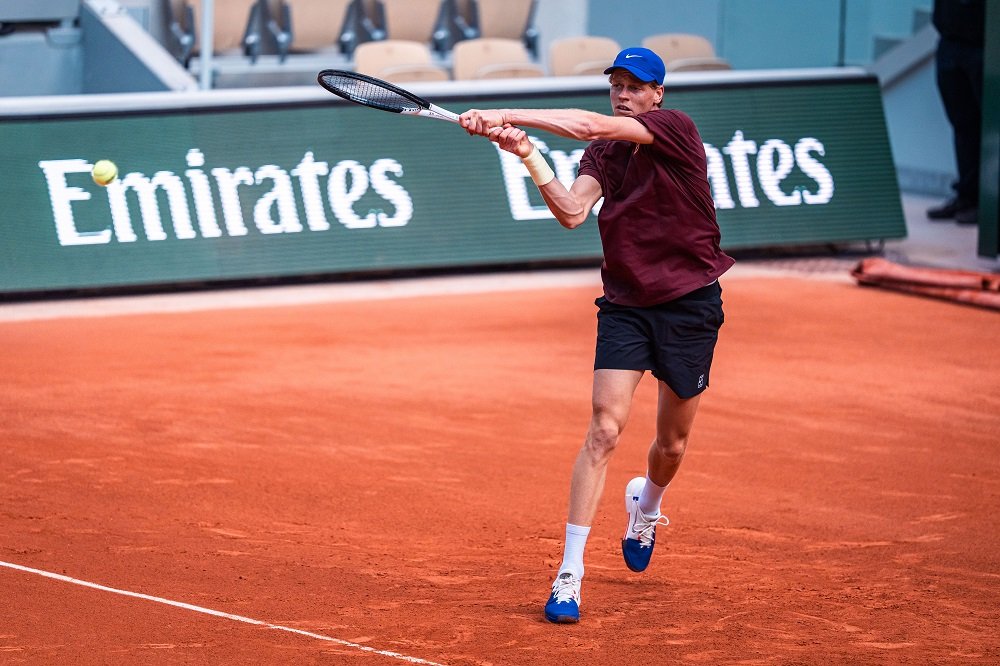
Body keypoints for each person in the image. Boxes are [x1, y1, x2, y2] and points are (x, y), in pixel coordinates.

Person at [460, 47, 734, 624]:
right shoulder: (605, 154)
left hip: (689, 303)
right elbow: (571, 211)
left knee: (673, 444)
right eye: (617, 84)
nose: (623, 93)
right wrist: (526, 153)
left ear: (658, 95)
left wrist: (506, 111)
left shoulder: (674, 129)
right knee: (604, 428)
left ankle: (646, 506)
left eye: (636, 86)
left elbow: (588, 121)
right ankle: (569, 573)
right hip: (627, 304)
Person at [926, 0, 985, 225]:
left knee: (988, 128)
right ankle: (967, 196)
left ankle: (988, 203)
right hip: (950, 42)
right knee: (962, 124)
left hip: (984, 45)